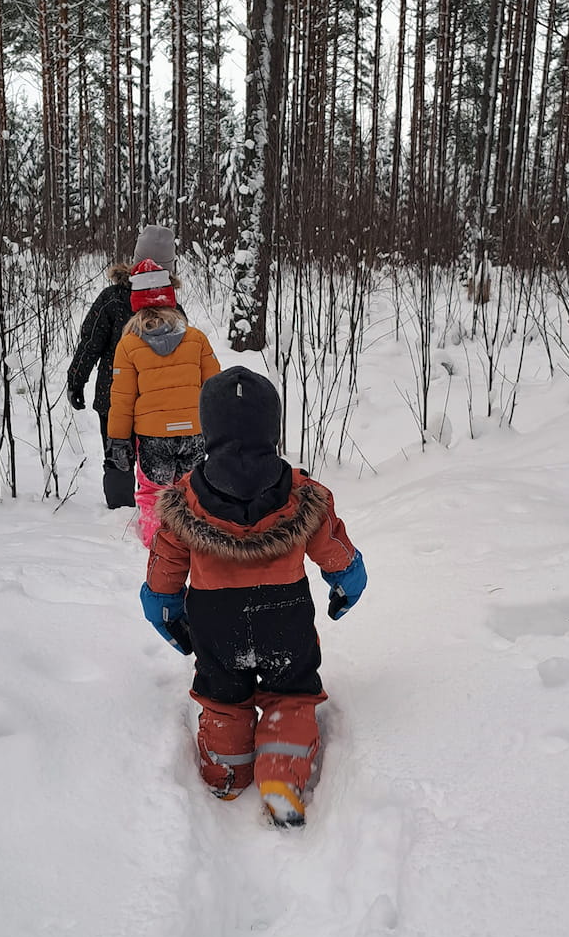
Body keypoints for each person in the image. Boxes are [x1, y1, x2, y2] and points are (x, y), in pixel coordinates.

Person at [138, 367, 367, 828]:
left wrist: (164, 608)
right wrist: (348, 581)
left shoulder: (186, 499)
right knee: (291, 694)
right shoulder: (304, 495)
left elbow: (165, 572)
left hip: (216, 622)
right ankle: (282, 776)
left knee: (223, 695)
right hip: (284, 616)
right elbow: (336, 553)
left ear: (208, 429)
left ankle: (227, 767)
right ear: (273, 428)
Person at [105, 259, 221, 546]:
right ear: (170, 300)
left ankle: (158, 546)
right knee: (191, 492)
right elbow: (215, 389)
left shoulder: (129, 345)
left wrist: (118, 440)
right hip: (194, 434)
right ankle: (190, 544)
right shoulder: (196, 339)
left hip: (153, 437)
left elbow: (122, 400)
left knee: (153, 494)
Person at [67, 224, 179, 509]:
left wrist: (76, 380)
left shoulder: (112, 298)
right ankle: (150, 508)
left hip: (113, 397)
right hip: (157, 403)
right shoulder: (172, 308)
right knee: (154, 457)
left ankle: (121, 511)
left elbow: (90, 342)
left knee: (117, 453)